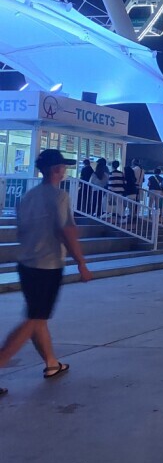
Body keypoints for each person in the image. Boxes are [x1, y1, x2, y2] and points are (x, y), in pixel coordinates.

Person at [0, 149, 93, 395]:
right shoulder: (59, 196)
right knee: (34, 320)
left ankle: (51, 363)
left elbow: (21, 230)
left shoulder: (28, 196)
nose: (65, 171)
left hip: (26, 264)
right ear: (56, 170)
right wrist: (81, 263)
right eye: (63, 167)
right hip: (47, 265)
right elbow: (67, 231)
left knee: (37, 317)